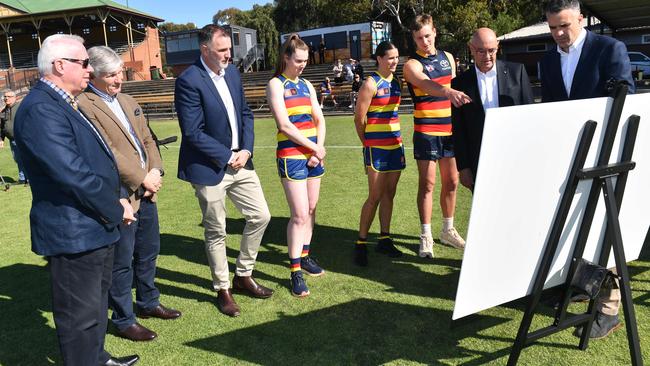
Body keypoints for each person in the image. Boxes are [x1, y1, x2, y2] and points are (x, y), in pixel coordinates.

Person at [13, 34, 138, 366]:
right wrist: (115, 205)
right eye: (84, 63)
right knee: (79, 315)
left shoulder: (63, 102)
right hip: (72, 230)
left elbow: (95, 162)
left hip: (91, 225)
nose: (89, 69)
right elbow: (72, 173)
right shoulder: (40, 108)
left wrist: (118, 199)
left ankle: (97, 358)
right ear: (59, 65)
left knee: (95, 307)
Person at [539, 0, 634, 340]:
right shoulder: (547, 59)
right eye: (552, 28)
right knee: (569, 226)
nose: (559, 34)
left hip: (605, 160)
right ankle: (576, 285)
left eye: (564, 25)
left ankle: (609, 310)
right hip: (566, 161)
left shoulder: (610, 48)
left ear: (581, 18)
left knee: (603, 233)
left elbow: (625, 94)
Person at [77, 46, 181, 342]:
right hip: (120, 193)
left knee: (149, 250)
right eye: (111, 75)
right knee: (122, 260)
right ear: (93, 75)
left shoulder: (128, 99)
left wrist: (156, 172)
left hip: (147, 189)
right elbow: (107, 151)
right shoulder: (84, 104)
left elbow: (148, 138)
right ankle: (124, 319)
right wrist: (142, 179)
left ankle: (148, 302)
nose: (118, 79)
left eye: (119, 72)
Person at [175, 24, 273, 318]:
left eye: (229, 49)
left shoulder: (232, 73)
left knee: (261, 216)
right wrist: (228, 156)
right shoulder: (188, 81)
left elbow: (245, 113)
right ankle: (224, 289)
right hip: (209, 168)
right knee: (216, 229)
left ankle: (243, 275)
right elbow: (193, 132)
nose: (229, 55)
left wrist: (246, 150)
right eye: (222, 50)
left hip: (241, 161)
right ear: (205, 50)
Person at [403, 14, 471, 259]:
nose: (425, 41)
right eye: (419, 38)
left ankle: (448, 229)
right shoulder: (412, 65)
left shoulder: (448, 58)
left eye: (428, 36)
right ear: (414, 39)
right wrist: (448, 91)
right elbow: (426, 84)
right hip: (426, 131)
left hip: (450, 131)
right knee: (428, 184)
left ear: (435, 33)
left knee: (452, 182)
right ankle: (426, 234)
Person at [266, 34, 327, 297]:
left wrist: (319, 149)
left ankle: (305, 256)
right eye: (298, 60)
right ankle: (295, 272)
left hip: (314, 155)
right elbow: (284, 125)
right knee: (299, 214)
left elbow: (319, 119)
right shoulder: (275, 85)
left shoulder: (308, 85)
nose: (303, 65)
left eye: (305, 60)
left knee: (311, 209)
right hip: (292, 156)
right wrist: (313, 148)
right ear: (286, 58)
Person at [451, 28, 534, 191]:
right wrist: (463, 167)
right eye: (481, 51)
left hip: (515, 158)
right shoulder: (459, 84)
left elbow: (530, 117)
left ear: (498, 46)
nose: (487, 56)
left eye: (492, 50)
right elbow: (459, 129)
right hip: (478, 161)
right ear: (471, 49)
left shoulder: (517, 72)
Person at [353, 41, 404, 266]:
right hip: (377, 149)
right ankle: (361, 243)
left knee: (389, 195)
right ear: (379, 59)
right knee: (374, 196)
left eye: (397, 57)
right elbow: (359, 118)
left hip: (396, 146)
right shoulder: (370, 83)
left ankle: (384, 238)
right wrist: (367, 143)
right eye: (390, 57)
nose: (394, 61)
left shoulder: (397, 81)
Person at [0, 89, 27, 184]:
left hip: (23, 138)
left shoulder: (21, 107)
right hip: (12, 139)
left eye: (9, 96)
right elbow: (3, 126)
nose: (6, 98)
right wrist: (1, 139)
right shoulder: (4, 111)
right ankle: (23, 179)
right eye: (5, 97)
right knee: (18, 159)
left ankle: (31, 179)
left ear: (14, 98)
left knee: (27, 158)